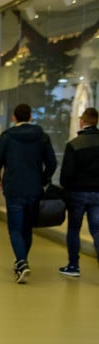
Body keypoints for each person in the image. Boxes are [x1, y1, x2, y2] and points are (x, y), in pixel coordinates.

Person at [0, 102, 56, 283]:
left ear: (14, 118)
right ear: (31, 116)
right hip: (35, 189)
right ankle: (22, 262)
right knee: (27, 228)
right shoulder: (41, 136)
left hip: (14, 188)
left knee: (15, 228)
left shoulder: (7, 137)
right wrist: (44, 179)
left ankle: (21, 261)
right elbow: (52, 163)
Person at [58, 106, 99, 277]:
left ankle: (73, 265)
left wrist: (65, 189)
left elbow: (67, 173)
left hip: (77, 193)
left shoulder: (74, 144)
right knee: (97, 230)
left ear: (82, 121)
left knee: (74, 229)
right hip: (98, 193)